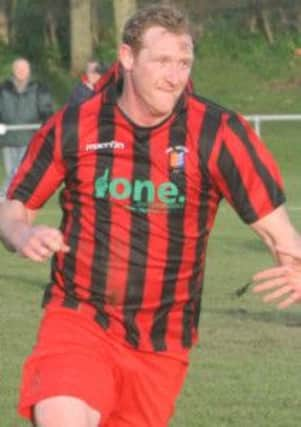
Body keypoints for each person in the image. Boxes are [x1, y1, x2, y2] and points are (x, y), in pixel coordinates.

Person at [0, 4, 301, 427]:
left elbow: (279, 233)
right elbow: (13, 207)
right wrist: (19, 235)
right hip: (79, 318)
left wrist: (296, 264)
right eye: (162, 61)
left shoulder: (217, 133)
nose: (175, 76)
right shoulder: (76, 126)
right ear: (127, 58)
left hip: (161, 343)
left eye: (184, 63)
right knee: (61, 415)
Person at [0, 57, 54, 195]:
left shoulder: (38, 89)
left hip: (30, 137)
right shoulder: (3, 89)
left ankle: (3, 196)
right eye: (18, 69)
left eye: (24, 69)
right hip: (8, 139)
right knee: (12, 170)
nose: (21, 71)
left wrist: (46, 123)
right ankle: (12, 199)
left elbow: (46, 110)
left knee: (19, 170)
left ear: (29, 71)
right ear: (13, 70)